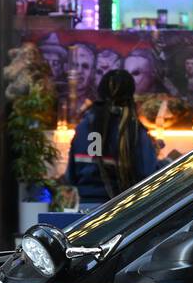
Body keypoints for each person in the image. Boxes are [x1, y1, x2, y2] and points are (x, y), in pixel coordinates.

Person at [64, 68, 160, 209]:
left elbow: (70, 177)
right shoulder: (132, 129)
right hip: (118, 212)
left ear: (100, 92)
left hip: (85, 210)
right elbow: (148, 173)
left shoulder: (83, 125)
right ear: (130, 95)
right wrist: (159, 156)